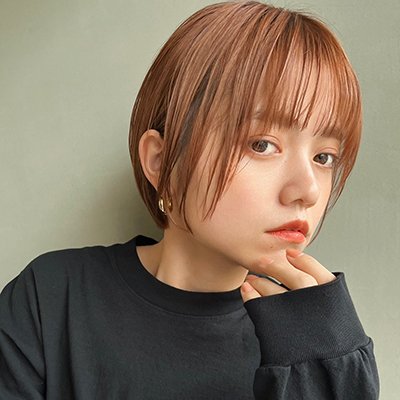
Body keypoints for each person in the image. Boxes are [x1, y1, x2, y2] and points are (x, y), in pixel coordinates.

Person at [0, 1, 380, 399]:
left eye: (324, 157)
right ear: (161, 162)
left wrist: (334, 369)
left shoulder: (322, 349)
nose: (308, 190)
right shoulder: (52, 299)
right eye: (262, 145)